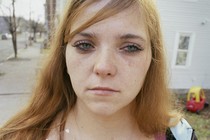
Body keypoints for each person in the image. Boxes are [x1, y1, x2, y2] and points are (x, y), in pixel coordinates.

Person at [0, 0, 197, 139]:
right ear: (63, 56)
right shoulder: (17, 136)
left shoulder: (180, 135)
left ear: (152, 60)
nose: (103, 67)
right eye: (85, 45)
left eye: (130, 47)